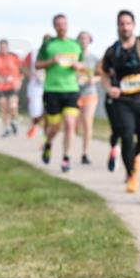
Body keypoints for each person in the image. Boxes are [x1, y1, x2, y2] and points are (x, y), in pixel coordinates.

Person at [99, 11, 140, 193]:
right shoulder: (112, 51)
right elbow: (104, 74)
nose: (125, 27)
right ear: (118, 26)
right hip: (122, 101)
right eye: (122, 24)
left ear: (133, 25)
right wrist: (109, 89)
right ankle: (132, 176)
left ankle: (134, 157)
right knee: (127, 136)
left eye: (128, 23)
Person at [35, 15, 86, 172]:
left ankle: (66, 158)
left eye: (64, 24)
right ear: (54, 26)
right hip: (52, 90)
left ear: (67, 25)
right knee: (54, 127)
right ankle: (48, 143)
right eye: (58, 24)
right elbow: (37, 65)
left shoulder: (75, 45)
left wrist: (78, 66)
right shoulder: (49, 45)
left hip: (71, 90)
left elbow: (82, 64)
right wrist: (51, 61)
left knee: (70, 125)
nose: (62, 27)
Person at [76, 31, 100, 164]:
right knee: (73, 124)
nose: (84, 40)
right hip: (74, 92)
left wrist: (93, 79)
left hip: (90, 93)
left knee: (87, 121)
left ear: (90, 40)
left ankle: (85, 153)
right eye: (81, 38)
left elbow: (101, 75)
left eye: (86, 38)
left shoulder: (94, 59)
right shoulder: (74, 57)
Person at [0, 39, 23, 137]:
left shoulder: (14, 57)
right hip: (0, 86)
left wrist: (20, 80)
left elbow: (22, 70)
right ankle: (6, 129)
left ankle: (13, 122)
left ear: (7, 48)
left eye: (4, 47)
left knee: (13, 107)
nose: (2, 49)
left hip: (12, 85)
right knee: (4, 108)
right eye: (1, 47)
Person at [23, 36, 49, 139]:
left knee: (48, 113)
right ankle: (34, 124)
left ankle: (45, 138)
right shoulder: (33, 53)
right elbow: (24, 66)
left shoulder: (54, 53)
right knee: (36, 111)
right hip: (35, 87)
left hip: (50, 86)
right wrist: (29, 74)